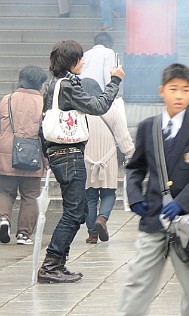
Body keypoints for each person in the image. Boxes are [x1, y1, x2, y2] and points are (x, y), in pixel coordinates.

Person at [118, 63, 189, 315]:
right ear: (162, 91)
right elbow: (135, 168)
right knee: (138, 280)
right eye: (173, 89)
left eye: (185, 90)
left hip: (188, 221)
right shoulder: (148, 127)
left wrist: (183, 201)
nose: (178, 95)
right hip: (153, 218)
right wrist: (134, 196)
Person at [38, 39, 124, 283]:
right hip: (69, 155)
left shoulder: (54, 86)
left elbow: (42, 124)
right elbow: (98, 105)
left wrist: (48, 154)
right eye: (80, 58)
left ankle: (59, 264)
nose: (83, 62)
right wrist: (115, 80)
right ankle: (51, 264)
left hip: (60, 154)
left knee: (78, 210)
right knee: (74, 213)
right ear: (70, 61)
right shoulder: (67, 86)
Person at [81, 77, 134, 244]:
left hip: (86, 159)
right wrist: (131, 156)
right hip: (108, 158)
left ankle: (92, 234)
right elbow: (122, 135)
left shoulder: (79, 110)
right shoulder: (110, 108)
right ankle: (102, 219)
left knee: (89, 197)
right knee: (109, 193)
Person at [0, 65, 48, 246]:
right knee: (31, 195)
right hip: (32, 154)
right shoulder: (43, 103)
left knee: (4, 191)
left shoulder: (7, 99)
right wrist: (47, 158)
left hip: (6, 154)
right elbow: (46, 133)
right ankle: (24, 235)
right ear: (39, 84)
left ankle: (3, 219)